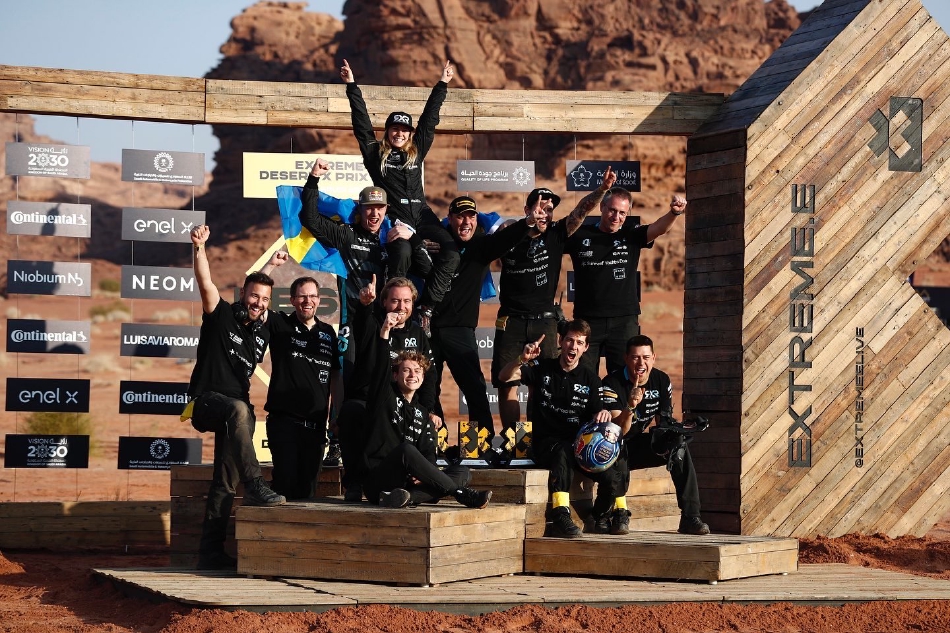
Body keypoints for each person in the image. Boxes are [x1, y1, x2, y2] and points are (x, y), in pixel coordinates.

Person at [183, 224, 285, 571]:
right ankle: (255, 483)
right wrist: (199, 247)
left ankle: (210, 553)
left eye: (264, 300)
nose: (258, 303)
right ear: (243, 294)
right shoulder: (220, 313)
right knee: (240, 409)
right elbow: (205, 281)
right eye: (253, 296)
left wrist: (271, 266)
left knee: (225, 481)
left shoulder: (262, 332)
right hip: (206, 402)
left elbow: (262, 286)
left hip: (236, 414)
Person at [491, 167, 618, 431]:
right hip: (511, 321)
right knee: (507, 383)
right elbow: (486, 249)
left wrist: (603, 189)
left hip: (545, 323)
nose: (545, 214)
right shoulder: (510, 234)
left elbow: (581, 211)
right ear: (527, 210)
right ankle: (514, 442)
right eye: (540, 208)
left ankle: (537, 438)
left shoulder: (556, 234)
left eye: (549, 209)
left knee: (541, 382)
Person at [342, 58, 457, 329]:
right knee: (403, 251)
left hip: (423, 215)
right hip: (397, 218)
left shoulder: (417, 151)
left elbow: (429, 120)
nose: (400, 134)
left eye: (405, 130)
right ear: (388, 131)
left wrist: (442, 83)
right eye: (395, 129)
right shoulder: (375, 154)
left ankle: (426, 308)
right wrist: (351, 86)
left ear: (409, 134)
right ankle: (390, 309)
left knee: (452, 253)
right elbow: (362, 125)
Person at [498, 319, 625, 538]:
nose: (573, 346)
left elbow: (599, 413)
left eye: (579, 342)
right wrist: (522, 360)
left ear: (585, 347)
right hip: (545, 445)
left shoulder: (591, 379)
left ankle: (598, 517)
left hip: (580, 448)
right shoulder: (542, 368)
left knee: (613, 475)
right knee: (563, 450)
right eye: (569, 340)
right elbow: (504, 377)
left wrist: (602, 414)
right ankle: (560, 515)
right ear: (560, 341)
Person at [429, 196, 539, 442]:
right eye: (460, 216)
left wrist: (528, 221)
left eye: (471, 217)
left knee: (475, 390)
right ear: (450, 218)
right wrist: (420, 243)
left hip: (459, 330)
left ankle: (478, 446)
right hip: (428, 329)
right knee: (428, 391)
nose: (466, 222)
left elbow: (505, 239)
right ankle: (436, 444)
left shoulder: (480, 246)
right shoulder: (436, 242)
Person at [363, 309, 492, 509]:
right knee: (406, 450)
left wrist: (424, 473)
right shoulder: (384, 395)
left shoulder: (423, 412)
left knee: (462, 472)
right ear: (395, 375)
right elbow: (380, 364)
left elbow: (428, 453)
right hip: (379, 481)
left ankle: (406, 498)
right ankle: (460, 494)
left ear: (423, 377)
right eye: (406, 370)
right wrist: (385, 332)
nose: (412, 375)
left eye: (417, 371)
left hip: (406, 483)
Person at [566, 189, 687, 376]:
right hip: (587, 321)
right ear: (602, 207)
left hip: (623, 321)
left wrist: (674, 213)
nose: (616, 217)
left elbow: (659, 228)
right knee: (582, 376)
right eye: (612, 210)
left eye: (622, 213)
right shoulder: (579, 235)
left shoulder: (632, 234)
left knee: (623, 377)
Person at [337, 275, 437, 502]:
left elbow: (429, 375)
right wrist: (364, 305)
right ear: (384, 302)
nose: (401, 306)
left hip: (401, 402)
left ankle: (416, 482)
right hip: (367, 398)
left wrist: (429, 408)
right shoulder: (373, 323)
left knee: (426, 422)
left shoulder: (418, 333)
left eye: (406, 301)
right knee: (351, 411)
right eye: (395, 301)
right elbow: (360, 325)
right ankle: (354, 483)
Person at [602, 334, 709, 535]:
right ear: (626, 358)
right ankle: (618, 514)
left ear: (653, 358)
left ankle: (690, 516)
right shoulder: (611, 382)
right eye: (635, 357)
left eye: (645, 357)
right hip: (613, 445)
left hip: (639, 445)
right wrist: (630, 406)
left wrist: (681, 431)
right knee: (619, 447)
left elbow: (663, 424)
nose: (640, 363)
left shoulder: (661, 379)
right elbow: (618, 431)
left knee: (679, 447)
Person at [259, 253, 343, 501]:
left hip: (316, 427)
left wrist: (337, 416)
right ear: (293, 300)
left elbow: (335, 378)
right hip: (284, 423)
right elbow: (256, 301)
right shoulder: (280, 323)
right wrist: (270, 266)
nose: (308, 301)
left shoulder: (328, 333)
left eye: (313, 296)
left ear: (319, 300)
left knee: (307, 493)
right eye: (302, 296)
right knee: (284, 486)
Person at [299, 157, 394, 374]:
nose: (375, 214)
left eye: (379, 208)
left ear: (386, 210)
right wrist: (313, 179)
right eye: (369, 208)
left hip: (382, 319)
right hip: (350, 318)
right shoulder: (346, 234)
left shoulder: (393, 239)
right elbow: (310, 219)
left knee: (380, 375)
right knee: (347, 374)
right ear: (360, 209)